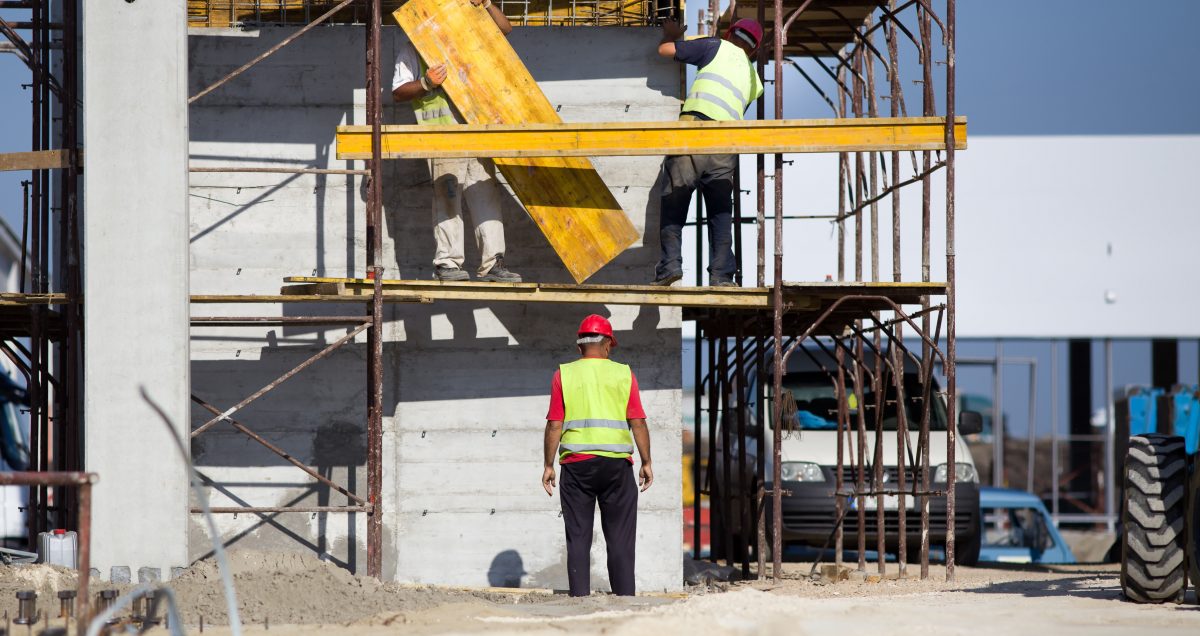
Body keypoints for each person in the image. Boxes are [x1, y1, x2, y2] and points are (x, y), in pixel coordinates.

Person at [391, 0, 523, 283]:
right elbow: (399, 92)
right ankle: (447, 263)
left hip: (478, 130)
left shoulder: (469, 36)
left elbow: (505, 28)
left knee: (485, 195)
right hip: (442, 135)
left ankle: (493, 264)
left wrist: (486, 4)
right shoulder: (414, 47)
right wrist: (426, 83)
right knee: (448, 199)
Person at [541, 314, 653, 596]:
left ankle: (580, 599)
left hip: (577, 467)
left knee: (578, 537)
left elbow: (555, 424)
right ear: (607, 345)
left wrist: (548, 465)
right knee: (620, 539)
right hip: (617, 467)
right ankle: (625, 597)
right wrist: (647, 462)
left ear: (580, 347)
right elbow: (637, 421)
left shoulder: (563, 374)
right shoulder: (624, 373)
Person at [651, 18, 764, 287]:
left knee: (674, 202)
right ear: (754, 50)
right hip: (726, 143)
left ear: (729, 33)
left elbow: (665, 51)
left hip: (694, 132)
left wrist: (672, 34)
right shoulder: (755, 80)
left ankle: (670, 267)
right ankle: (722, 276)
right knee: (720, 213)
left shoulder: (716, 46)